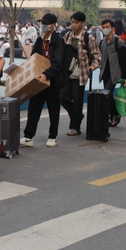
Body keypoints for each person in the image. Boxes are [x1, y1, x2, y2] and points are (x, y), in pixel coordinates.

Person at [20, 13, 65, 148]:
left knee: (53, 108)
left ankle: (53, 136)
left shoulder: (58, 41)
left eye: (45, 24)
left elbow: (58, 63)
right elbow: (34, 58)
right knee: (34, 107)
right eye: (41, 23)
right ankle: (28, 136)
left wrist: (47, 74)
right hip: (39, 79)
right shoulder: (40, 40)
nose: (42, 26)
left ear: (53, 26)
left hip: (53, 80)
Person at [61, 11, 101, 136]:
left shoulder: (88, 38)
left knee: (78, 100)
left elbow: (97, 55)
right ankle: (78, 115)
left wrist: (93, 66)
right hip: (67, 73)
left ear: (82, 23)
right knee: (63, 97)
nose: (74, 25)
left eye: (76, 22)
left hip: (81, 74)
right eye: (72, 22)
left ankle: (75, 127)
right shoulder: (67, 36)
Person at [98, 19, 126, 126]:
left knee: (106, 93)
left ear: (112, 28)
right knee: (108, 95)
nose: (105, 29)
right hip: (104, 73)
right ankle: (114, 114)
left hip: (115, 73)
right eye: (103, 27)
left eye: (107, 27)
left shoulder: (118, 42)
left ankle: (111, 115)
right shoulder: (101, 43)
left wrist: (124, 76)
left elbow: (124, 61)